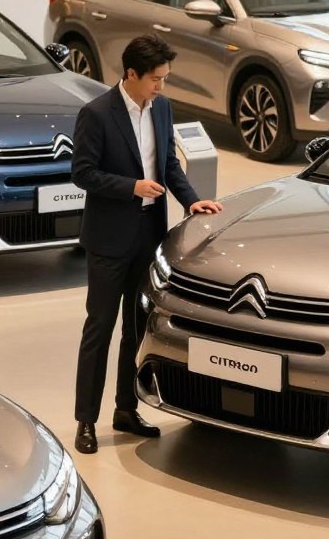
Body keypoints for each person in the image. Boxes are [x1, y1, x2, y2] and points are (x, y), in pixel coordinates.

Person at [71, 34, 223, 454]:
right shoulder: (97, 114)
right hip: (108, 239)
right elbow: (82, 173)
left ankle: (126, 409)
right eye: (156, 79)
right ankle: (86, 420)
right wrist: (131, 187)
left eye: (165, 79)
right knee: (99, 329)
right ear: (131, 74)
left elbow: (169, 165)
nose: (161, 87)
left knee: (136, 329)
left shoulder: (163, 109)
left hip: (148, 235)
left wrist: (194, 201)